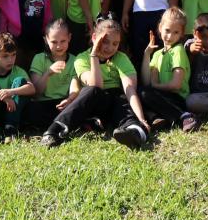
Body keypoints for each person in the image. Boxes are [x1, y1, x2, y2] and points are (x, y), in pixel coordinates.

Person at [39, 17, 153, 150]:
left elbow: (130, 90)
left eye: (115, 44)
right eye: (105, 42)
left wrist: (141, 118)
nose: (110, 48)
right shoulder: (82, 58)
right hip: (95, 102)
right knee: (91, 90)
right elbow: (96, 85)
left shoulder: (121, 58)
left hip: (115, 100)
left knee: (123, 106)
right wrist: (94, 55)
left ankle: (135, 133)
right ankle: (54, 131)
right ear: (94, 38)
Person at [138, 7, 199, 132]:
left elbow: (175, 85)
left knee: (146, 92)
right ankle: (158, 119)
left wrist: (155, 86)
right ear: (160, 28)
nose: (170, 36)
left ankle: (185, 116)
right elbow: (146, 82)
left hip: (178, 98)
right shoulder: (157, 54)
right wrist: (147, 54)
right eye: (167, 30)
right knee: (140, 91)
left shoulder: (178, 50)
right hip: (162, 95)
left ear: (182, 33)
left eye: (176, 32)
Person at [26, 20, 75, 130]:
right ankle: (61, 123)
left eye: (63, 41)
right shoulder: (39, 58)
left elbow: (75, 88)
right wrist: (48, 73)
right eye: (54, 42)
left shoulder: (74, 60)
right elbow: (36, 92)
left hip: (64, 103)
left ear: (69, 38)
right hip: (43, 103)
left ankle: (59, 123)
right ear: (46, 40)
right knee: (30, 109)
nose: (58, 46)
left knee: (77, 107)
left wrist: (69, 100)